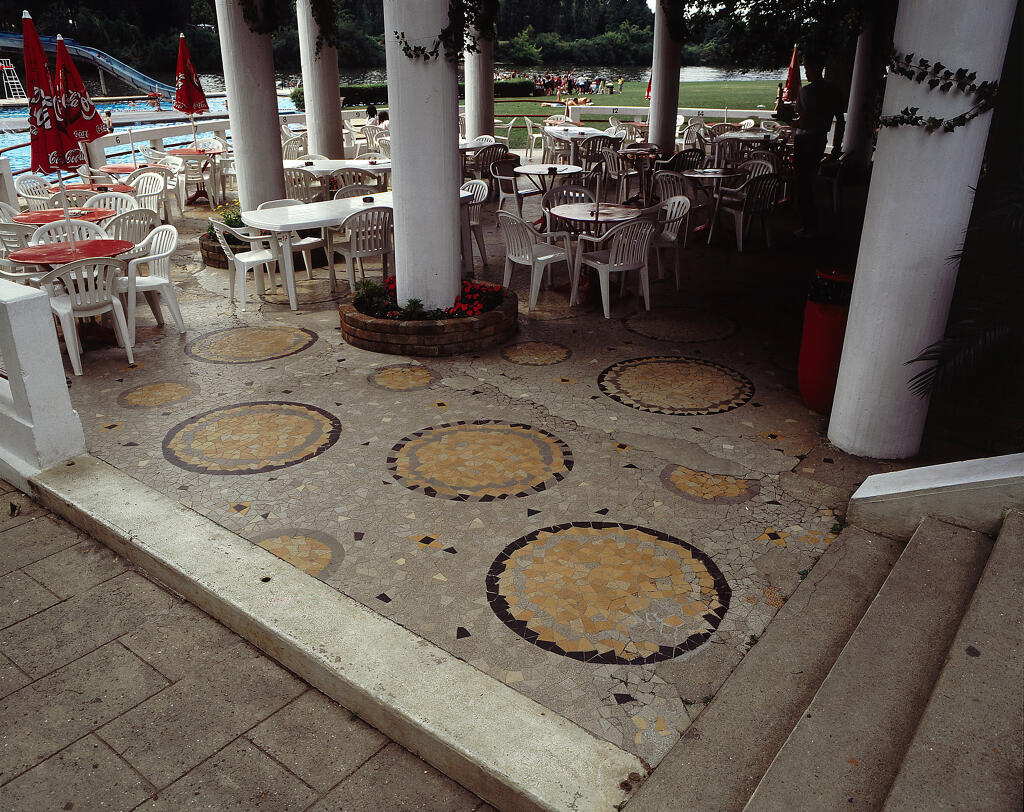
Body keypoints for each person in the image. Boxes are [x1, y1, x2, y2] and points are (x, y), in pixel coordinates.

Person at [793, 58, 845, 236]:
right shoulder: (833, 91)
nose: (806, 73)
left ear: (815, 69)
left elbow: (803, 121)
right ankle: (811, 223)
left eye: (807, 69)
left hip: (805, 141)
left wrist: (785, 120)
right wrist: (837, 145)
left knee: (803, 183)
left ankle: (808, 225)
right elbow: (840, 120)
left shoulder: (806, 91)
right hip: (819, 140)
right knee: (810, 180)